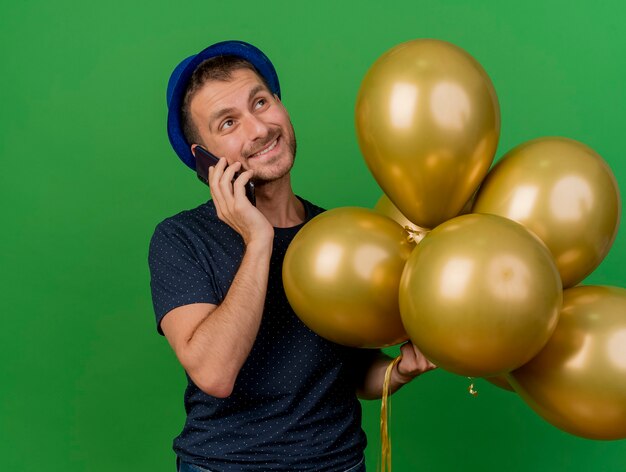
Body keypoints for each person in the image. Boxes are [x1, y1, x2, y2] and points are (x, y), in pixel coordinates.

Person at [148, 40, 436, 472]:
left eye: (260, 102)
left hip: (337, 463)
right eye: (228, 123)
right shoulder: (182, 238)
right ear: (204, 160)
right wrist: (259, 239)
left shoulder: (335, 235)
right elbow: (214, 373)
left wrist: (400, 371)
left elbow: (353, 374)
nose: (259, 129)